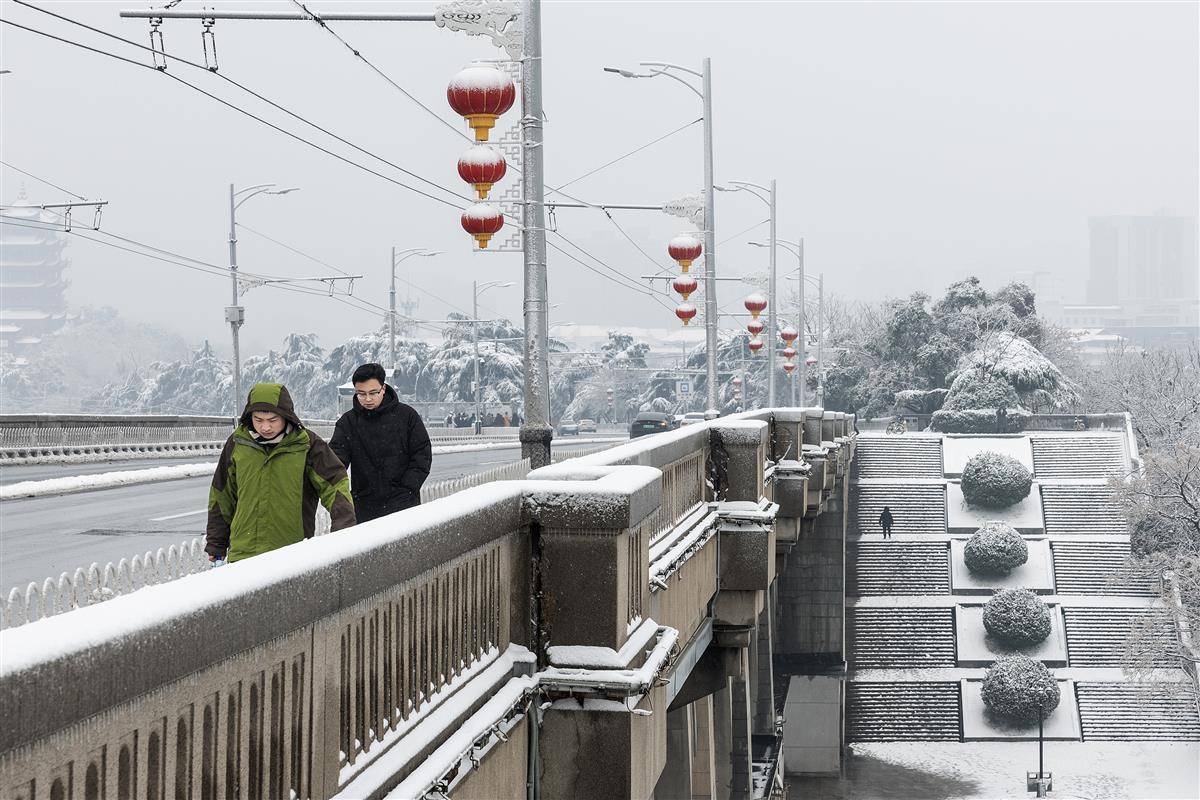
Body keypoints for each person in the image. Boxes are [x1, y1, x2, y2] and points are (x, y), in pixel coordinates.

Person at [206, 382, 355, 563]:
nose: (265, 427)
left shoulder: (307, 444)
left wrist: (343, 530)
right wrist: (216, 543)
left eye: (273, 420)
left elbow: (335, 486)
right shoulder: (238, 443)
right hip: (243, 553)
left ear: (286, 416)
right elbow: (222, 496)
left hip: (292, 552)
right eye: (258, 420)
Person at [331, 363, 433, 523]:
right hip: (364, 505)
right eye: (361, 394)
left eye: (373, 392)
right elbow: (335, 463)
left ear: (383, 388)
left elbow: (422, 455)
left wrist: (406, 489)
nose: (368, 399)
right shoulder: (348, 423)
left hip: (404, 504)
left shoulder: (407, 417)